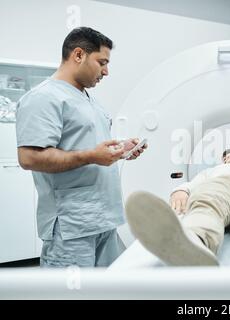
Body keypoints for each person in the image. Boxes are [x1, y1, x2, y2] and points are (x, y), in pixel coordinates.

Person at [15, 27, 147, 267]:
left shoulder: (90, 100)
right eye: (102, 62)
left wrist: (120, 149)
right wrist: (92, 156)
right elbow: (29, 157)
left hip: (103, 219)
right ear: (78, 55)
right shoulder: (44, 97)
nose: (106, 71)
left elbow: (90, 149)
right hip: (71, 227)